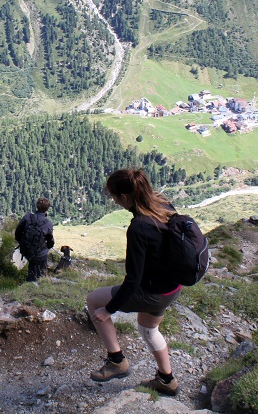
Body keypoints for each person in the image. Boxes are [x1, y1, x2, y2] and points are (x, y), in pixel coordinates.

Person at [86, 169, 181, 396]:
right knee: (148, 329)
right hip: (172, 287)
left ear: (125, 197)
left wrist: (108, 310)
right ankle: (167, 380)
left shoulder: (139, 227)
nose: (115, 201)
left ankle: (116, 361)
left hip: (152, 291)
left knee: (93, 301)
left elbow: (133, 280)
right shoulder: (162, 204)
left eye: (114, 197)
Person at [15, 197, 54, 282]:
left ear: (37, 207)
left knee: (32, 266)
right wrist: (48, 246)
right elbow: (50, 241)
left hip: (27, 250)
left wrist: (23, 243)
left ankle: (31, 281)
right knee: (41, 272)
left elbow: (17, 233)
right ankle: (37, 284)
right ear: (47, 209)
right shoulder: (48, 224)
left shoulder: (27, 217)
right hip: (40, 253)